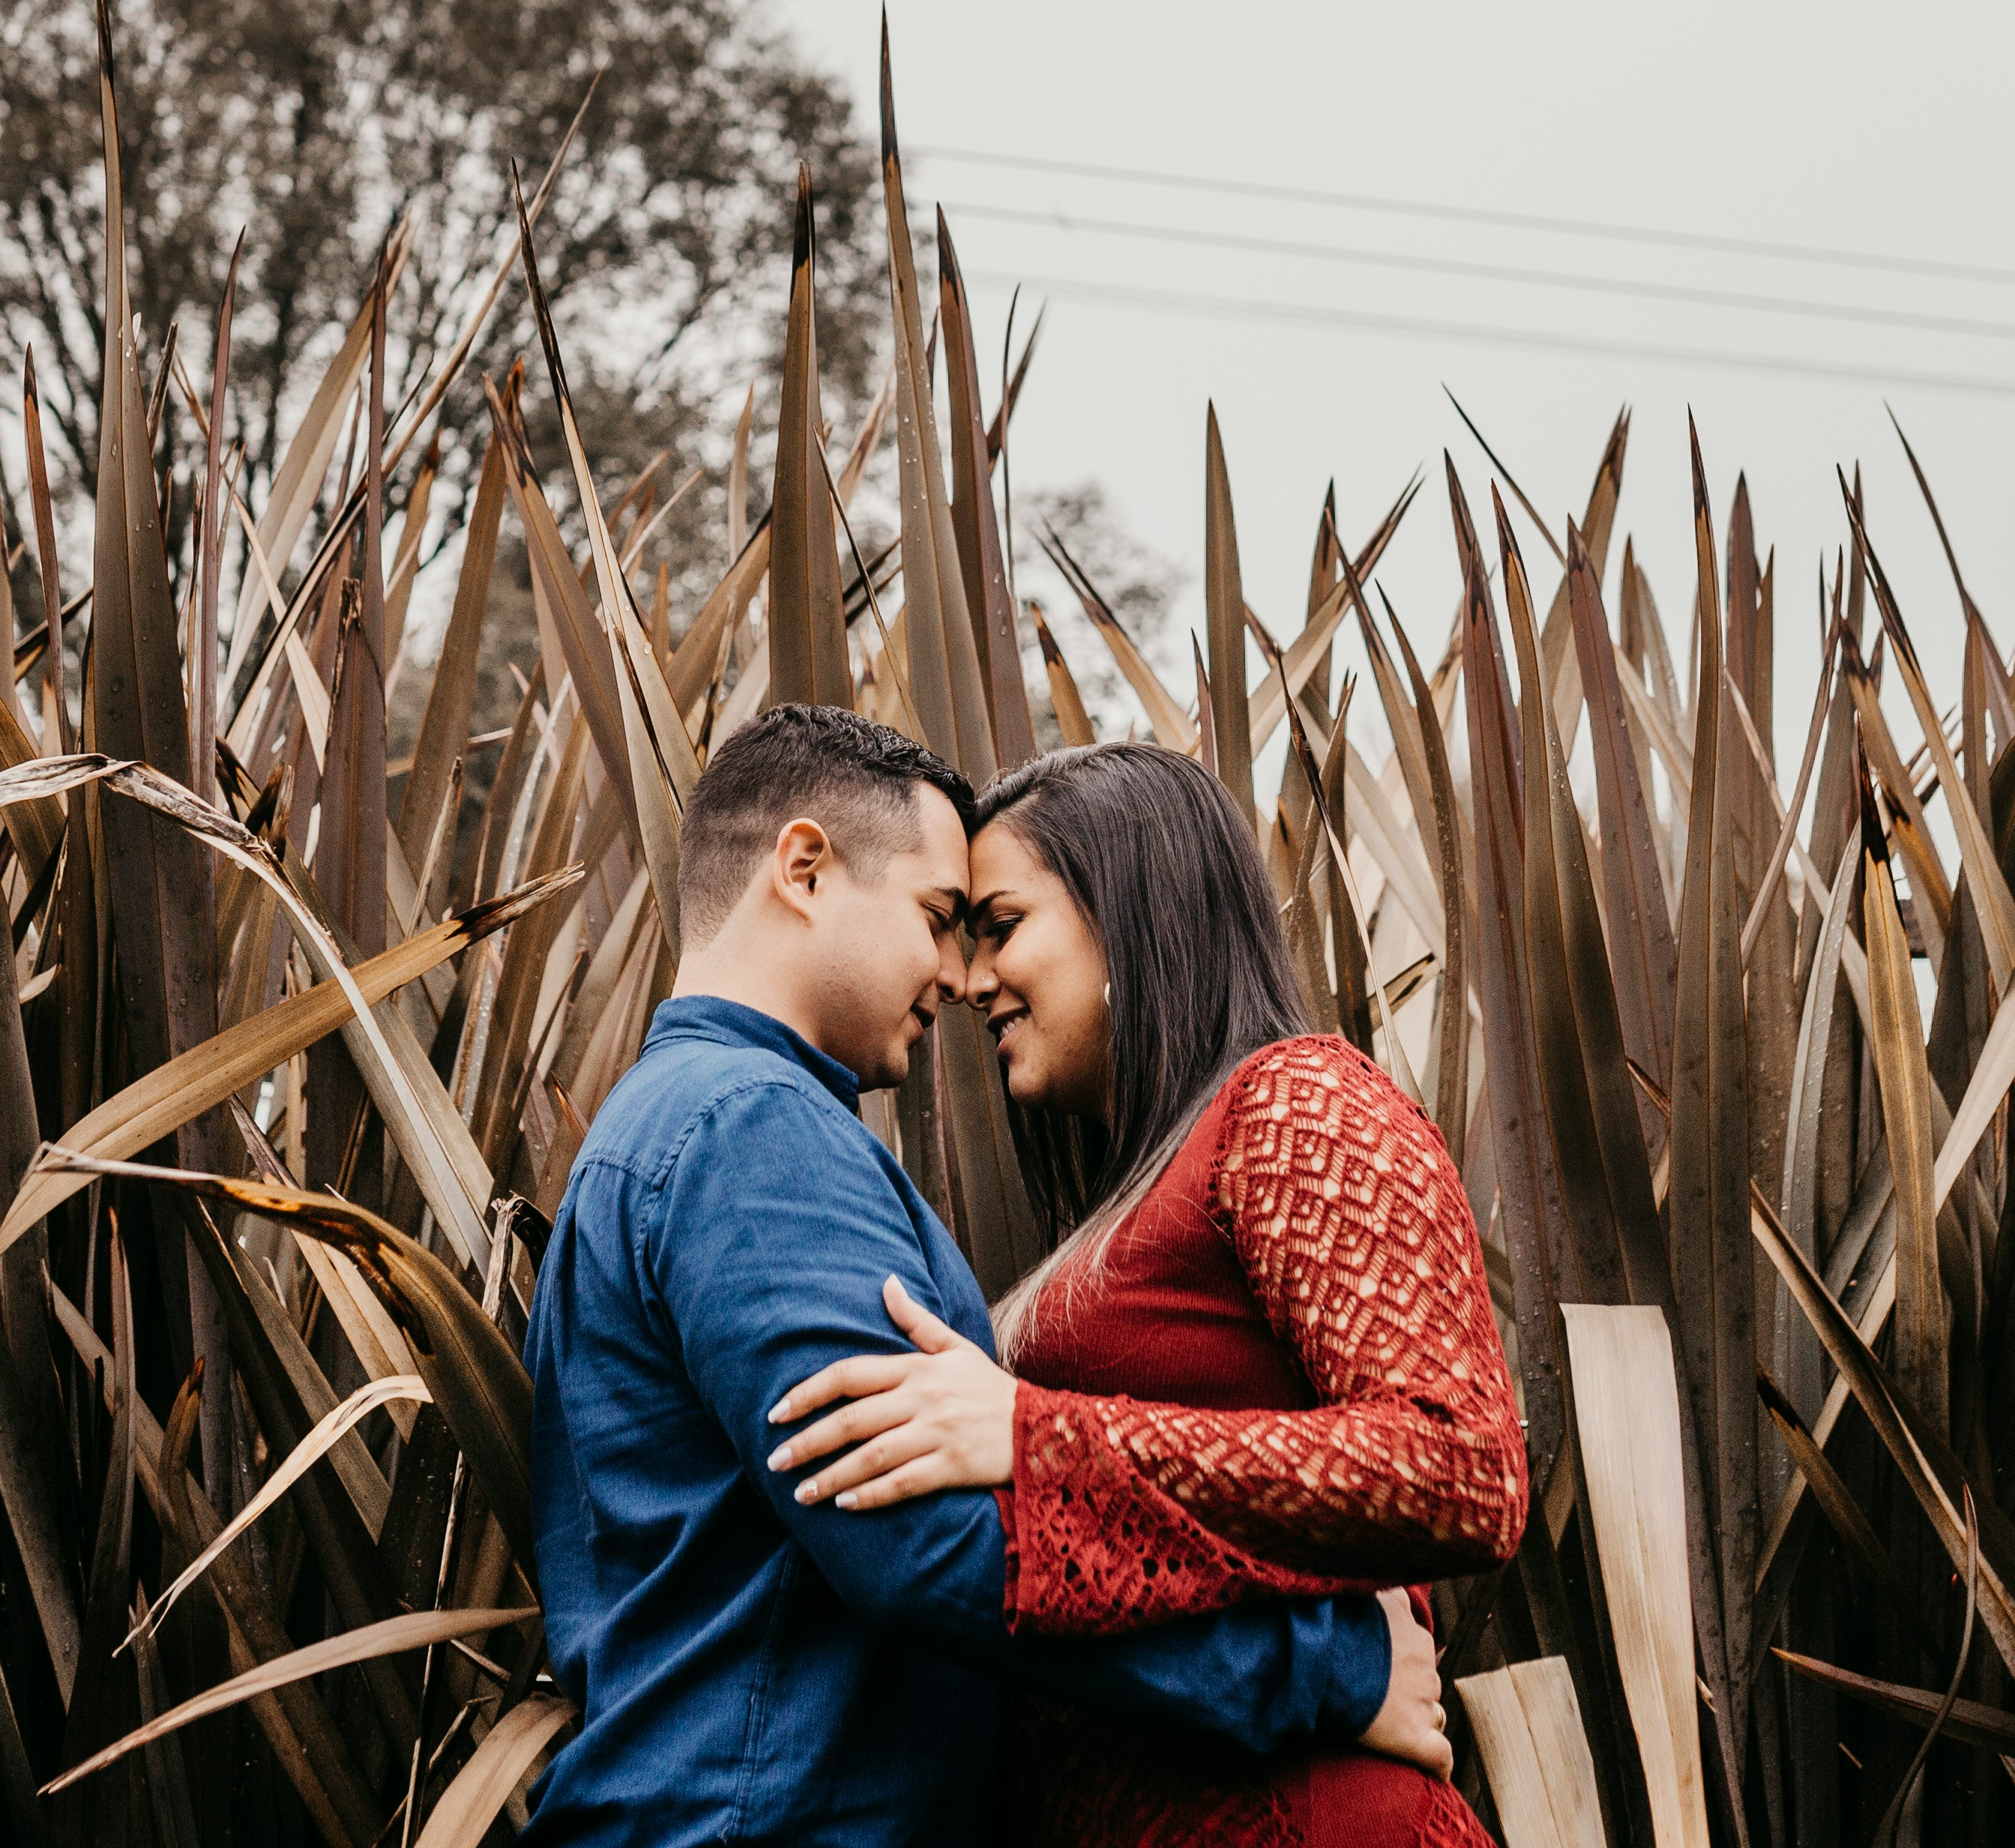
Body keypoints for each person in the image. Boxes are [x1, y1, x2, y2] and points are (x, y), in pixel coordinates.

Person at [521, 705, 1449, 1847]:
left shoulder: (654, 1132)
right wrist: (1336, 1670)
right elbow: (926, 1538)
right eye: (944, 917)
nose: (959, 975)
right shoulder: (753, 1129)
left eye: (990, 926)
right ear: (805, 870)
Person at [764, 741, 1526, 1848]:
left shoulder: (1300, 1105)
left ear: (1129, 912)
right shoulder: (1139, 1187)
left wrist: (1037, 1437)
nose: (969, 980)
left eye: (1002, 925)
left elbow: (1462, 1467)